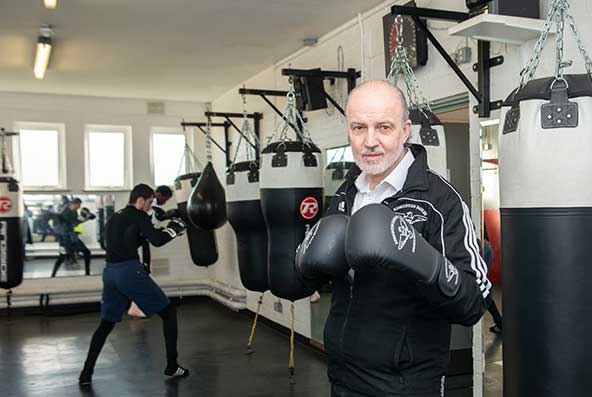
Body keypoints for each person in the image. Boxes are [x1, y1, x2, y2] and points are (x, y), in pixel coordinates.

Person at [297, 80, 492, 396]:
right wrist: (309, 266)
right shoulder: (346, 194)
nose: (369, 141)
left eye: (383, 127)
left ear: (405, 131)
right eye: (359, 128)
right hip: (342, 376)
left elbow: (473, 304)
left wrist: (421, 261)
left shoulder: (441, 201)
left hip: (406, 384)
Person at [79, 184, 188, 386]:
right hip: (129, 272)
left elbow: (124, 242)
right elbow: (157, 241)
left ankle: (86, 373)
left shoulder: (114, 218)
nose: (149, 207)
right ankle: (172, 366)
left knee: (106, 324)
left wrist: (161, 232)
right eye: (148, 203)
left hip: (110, 273)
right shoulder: (139, 217)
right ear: (140, 200)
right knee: (168, 313)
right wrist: (174, 229)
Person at [51, 198, 94, 277]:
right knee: (62, 256)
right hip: (66, 238)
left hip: (71, 237)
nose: (79, 207)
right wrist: (86, 217)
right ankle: (53, 274)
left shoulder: (73, 211)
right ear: (75, 204)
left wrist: (86, 218)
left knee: (87, 252)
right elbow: (74, 222)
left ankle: (87, 272)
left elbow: (76, 223)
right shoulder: (65, 212)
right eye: (79, 205)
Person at [483, 222, 503, 334]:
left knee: (482, 288)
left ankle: (500, 322)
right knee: (483, 287)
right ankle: (499, 322)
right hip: (485, 246)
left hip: (482, 247)